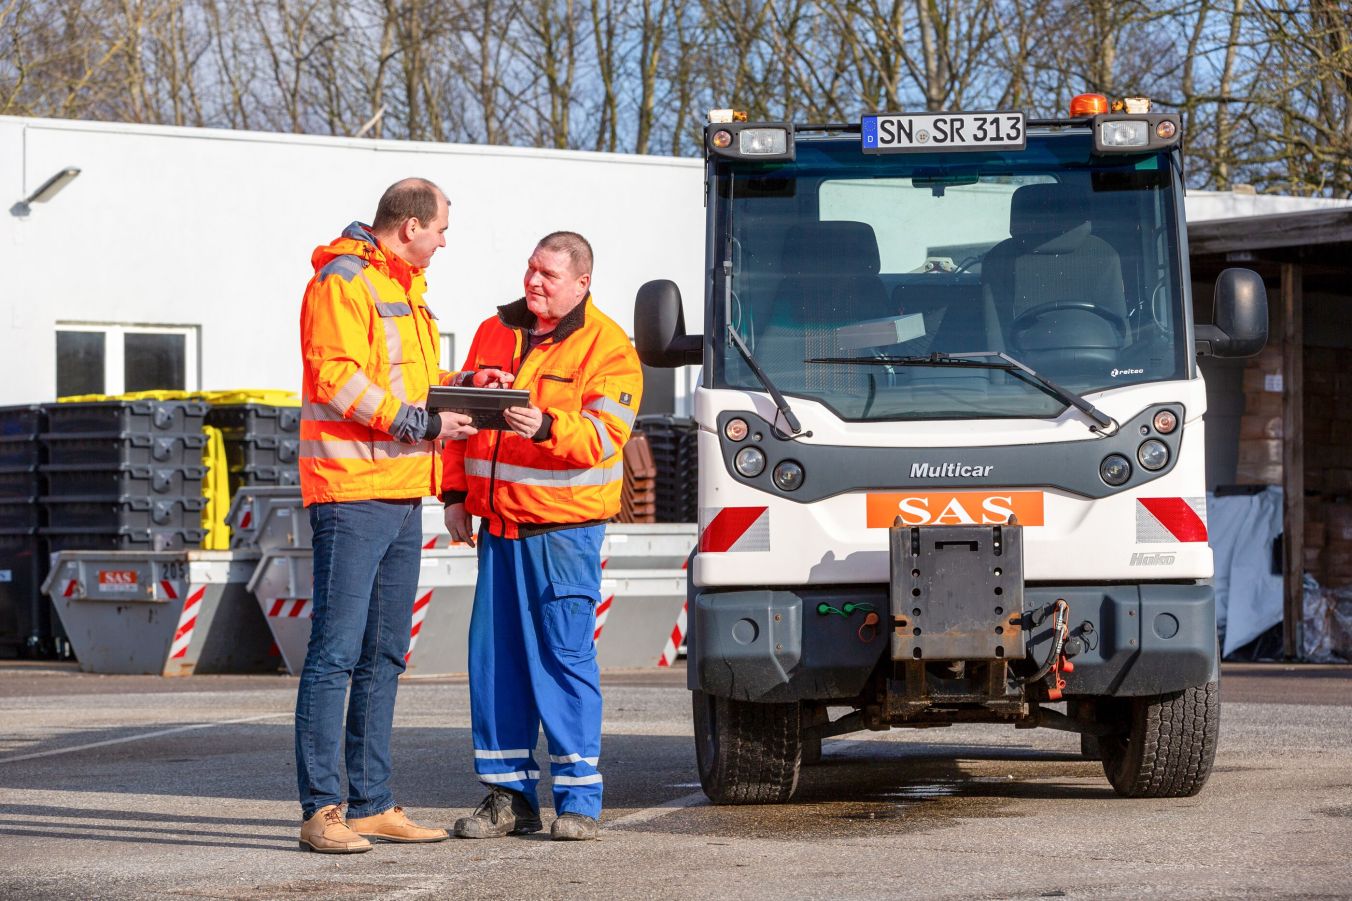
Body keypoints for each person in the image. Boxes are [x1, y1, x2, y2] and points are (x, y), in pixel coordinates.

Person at [296, 177, 484, 854]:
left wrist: (466, 387)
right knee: (335, 654)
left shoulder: (401, 287)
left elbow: (405, 382)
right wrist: (425, 424)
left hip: (400, 491)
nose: (443, 243)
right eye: (441, 230)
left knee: (383, 654)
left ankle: (372, 804)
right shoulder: (343, 281)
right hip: (352, 492)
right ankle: (322, 810)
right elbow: (338, 379)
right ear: (410, 226)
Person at [441, 232, 642, 842]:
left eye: (548, 274)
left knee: (563, 659)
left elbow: (605, 437)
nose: (534, 281)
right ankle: (508, 798)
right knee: (495, 664)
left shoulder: (609, 347)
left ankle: (578, 801)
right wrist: (454, 495)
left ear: (582, 283)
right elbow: (458, 416)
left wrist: (548, 424)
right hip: (498, 531)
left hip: (564, 536)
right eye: (531, 269)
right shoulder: (492, 332)